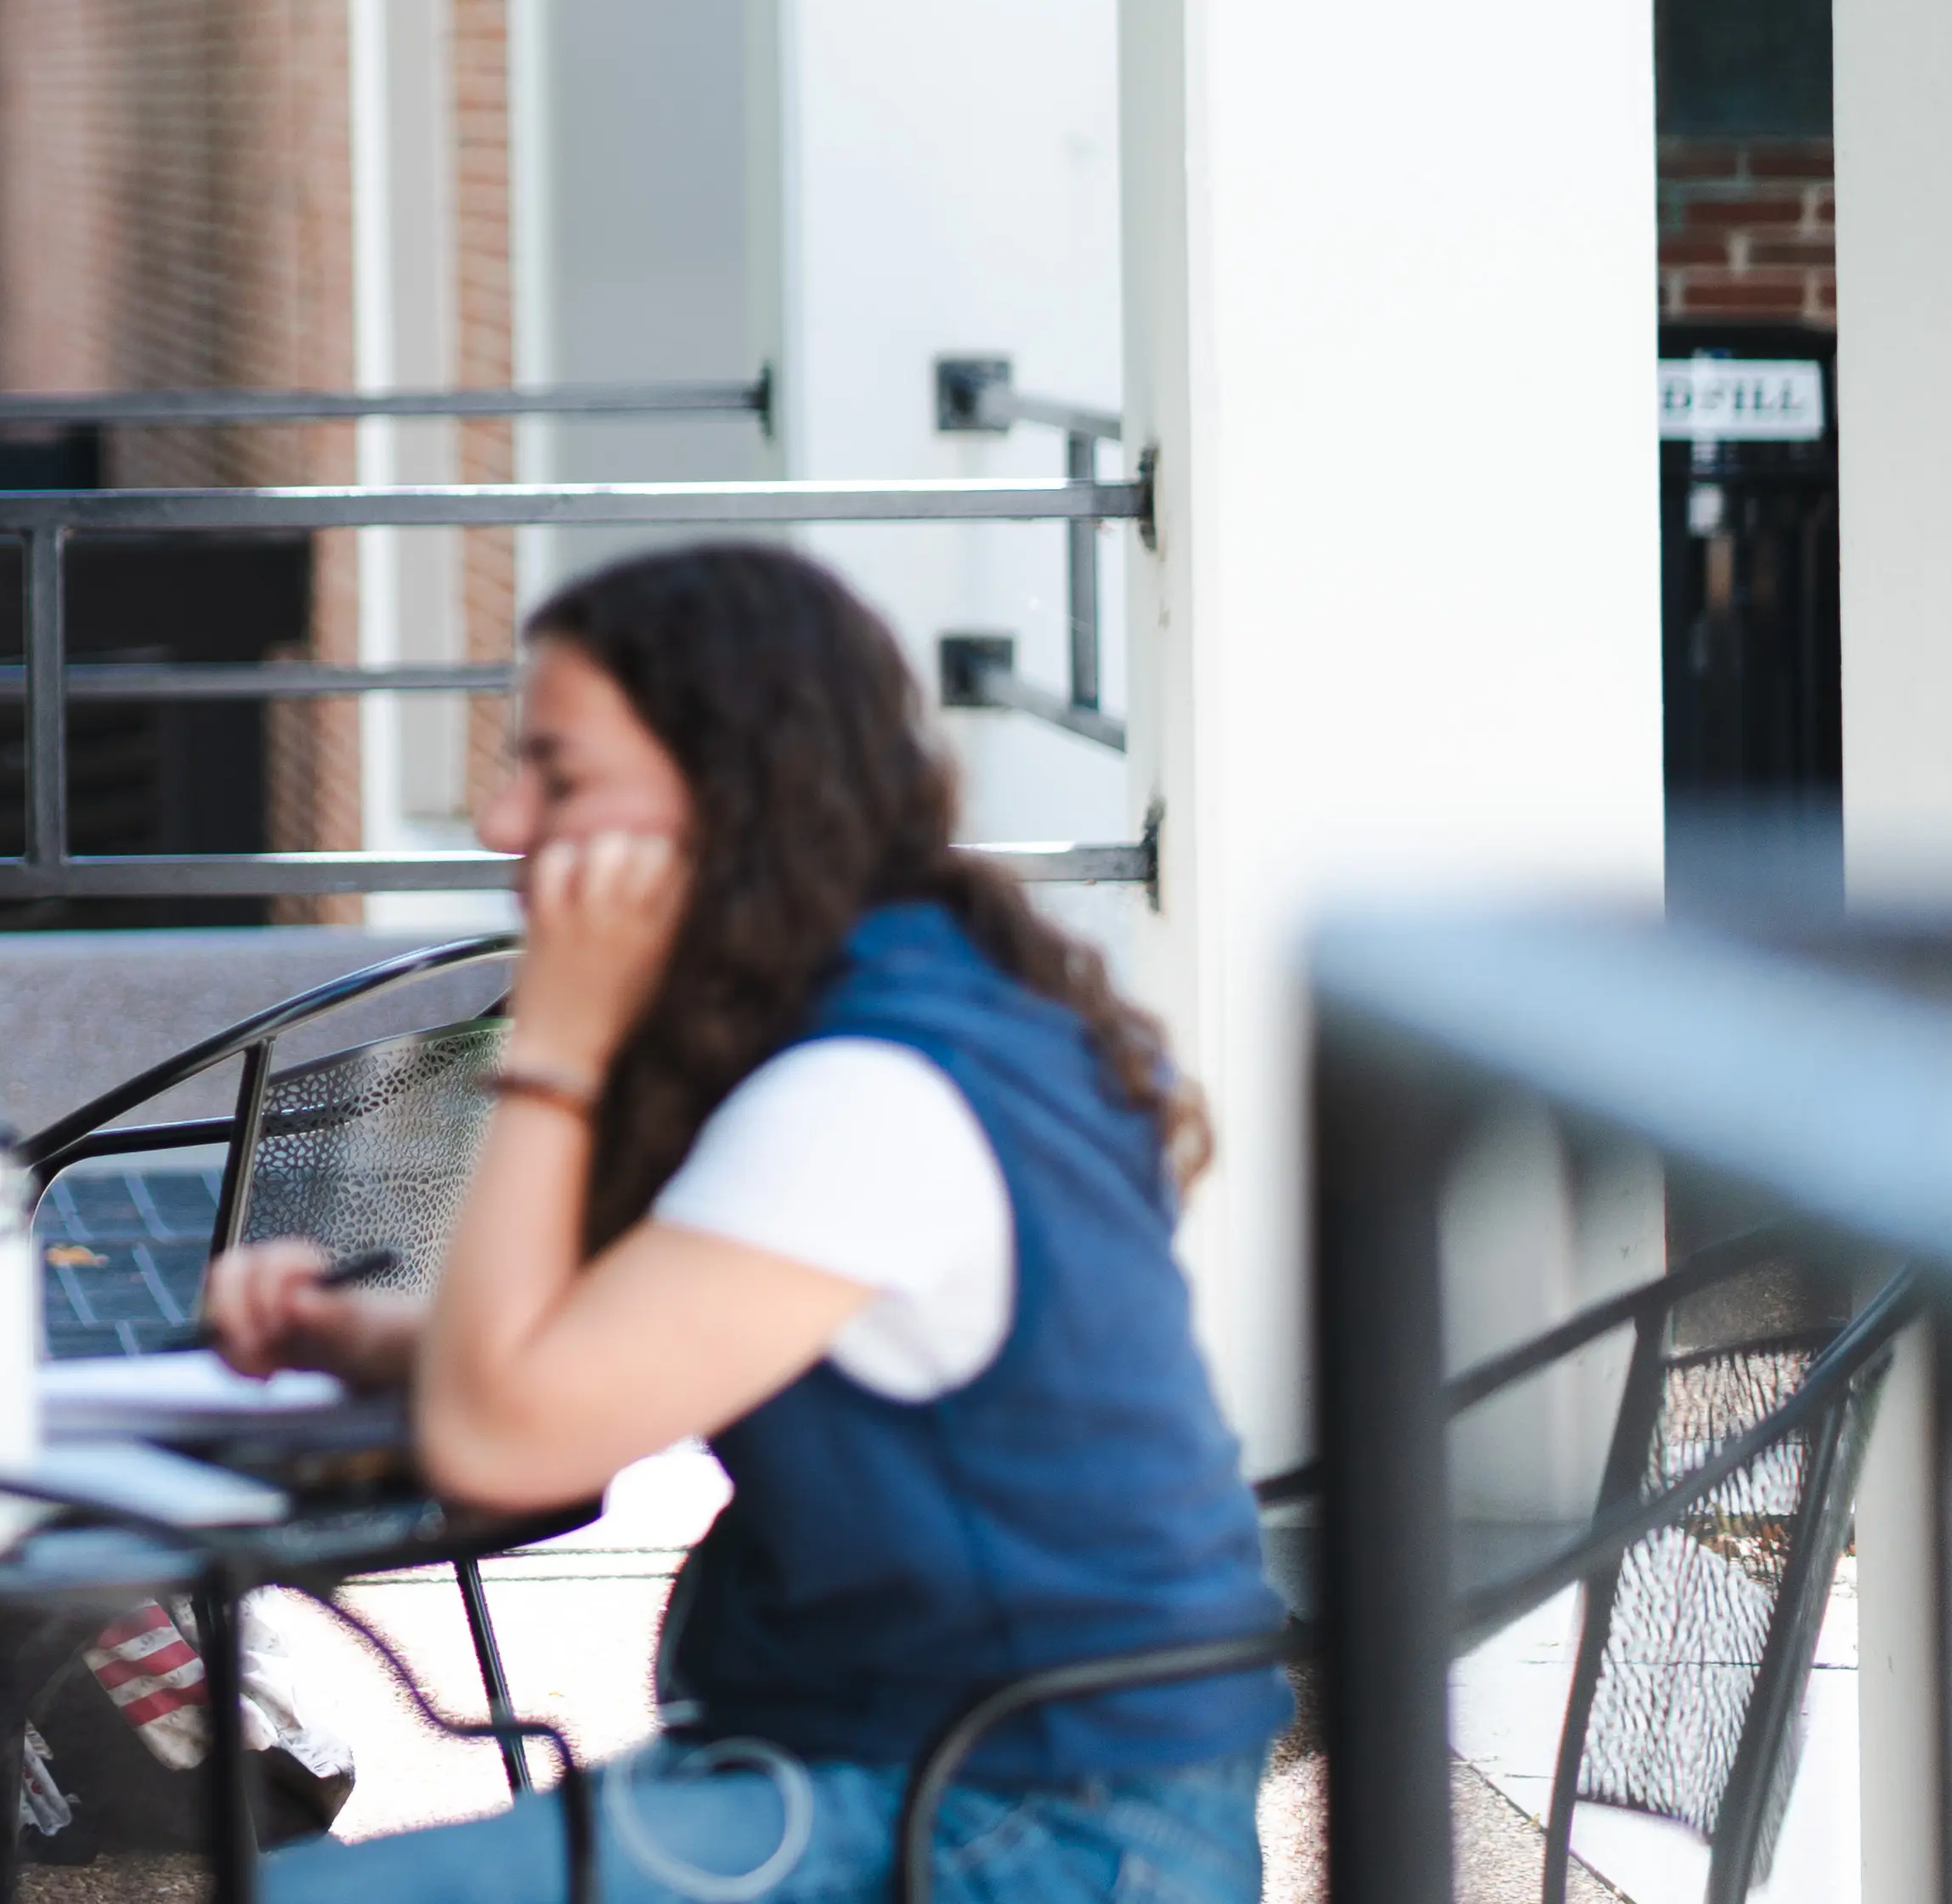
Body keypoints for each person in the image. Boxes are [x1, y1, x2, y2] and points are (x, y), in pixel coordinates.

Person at [213, 544, 1281, 1904]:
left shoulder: (861, 1091)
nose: (499, 820)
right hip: (968, 1773)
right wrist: (360, 1336)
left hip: (1007, 1823)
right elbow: (604, 1366)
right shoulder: (895, 998)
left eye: (557, 775)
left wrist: (558, 1047)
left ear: (729, 793)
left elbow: (501, 1446)